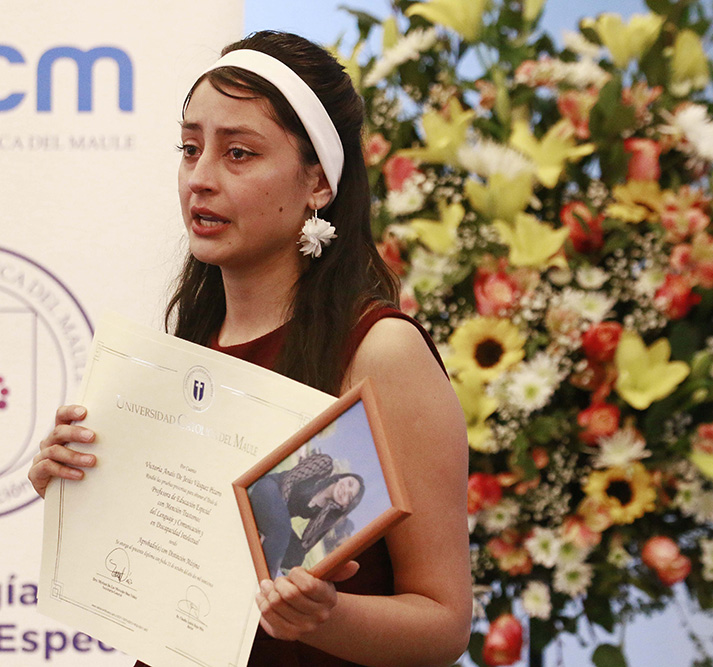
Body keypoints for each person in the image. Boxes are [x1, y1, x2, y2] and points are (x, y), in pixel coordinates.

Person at [29, 30, 472, 667]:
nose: (200, 179)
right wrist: (80, 490)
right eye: (190, 149)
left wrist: (324, 616)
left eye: (238, 153)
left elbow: (444, 625)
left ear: (318, 183)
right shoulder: (186, 350)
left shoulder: (379, 353)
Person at [250, 452, 366, 578]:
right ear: (342, 477)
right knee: (282, 530)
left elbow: (305, 543)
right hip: (270, 489)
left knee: (297, 556)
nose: (345, 491)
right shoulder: (325, 464)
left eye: (349, 497)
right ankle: (265, 578)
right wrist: (279, 518)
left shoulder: (328, 513)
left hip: (276, 519)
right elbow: (289, 479)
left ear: (345, 506)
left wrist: (328, 509)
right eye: (349, 483)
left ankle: (265, 538)